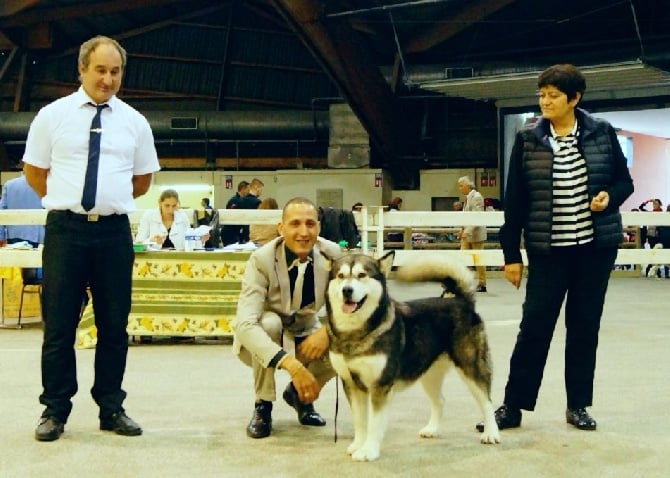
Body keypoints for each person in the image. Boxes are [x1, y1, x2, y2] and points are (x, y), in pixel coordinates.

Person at [481, 64, 633, 433]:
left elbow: (624, 181)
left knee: (583, 328)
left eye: (553, 95)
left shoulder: (601, 132)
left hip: (594, 250)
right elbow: (515, 200)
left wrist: (608, 197)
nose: (545, 101)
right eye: (541, 94)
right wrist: (511, 255)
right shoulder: (529, 138)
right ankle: (513, 405)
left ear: (574, 98)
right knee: (534, 327)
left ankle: (578, 405)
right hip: (548, 252)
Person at [22, 35, 161, 442]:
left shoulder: (135, 122)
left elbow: (141, 181)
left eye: (115, 71)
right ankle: (55, 409)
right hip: (66, 231)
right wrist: (63, 202)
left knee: (114, 326)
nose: (107, 79)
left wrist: (105, 204)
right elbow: (34, 171)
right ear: (81, 69)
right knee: (60, 325)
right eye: (100, 70)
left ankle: (111, 407)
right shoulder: (51, 115)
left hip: (114, 233)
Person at [232, 197, 342, 439]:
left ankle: (299, 397)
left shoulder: (332, 254)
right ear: (281, 229)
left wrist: (326, 332)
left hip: (305, 332)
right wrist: (292, 365)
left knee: (343, 343)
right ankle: (263, 405)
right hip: (269, 336)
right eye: (295, 224)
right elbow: (245, 324)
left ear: (319, 227)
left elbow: (351, 306)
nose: (303, 232)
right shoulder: (261, 260)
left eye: (310, 224)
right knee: (268, 324)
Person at [456, 176, 487, 292]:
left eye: (461, 185)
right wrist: (461, 230)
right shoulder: (467, 198)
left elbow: (477, 217)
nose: (459, 188)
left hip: (476, 234)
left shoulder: (477, 197)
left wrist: (466, 232)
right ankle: (461, 282)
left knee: (479, 261)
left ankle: (482, 284)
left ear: (468, 185)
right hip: (466, 235)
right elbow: (466, 217)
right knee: (462, 259)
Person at [0, 170, 45, 248]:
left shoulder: (9, 185)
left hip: (14, 235)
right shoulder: (43, 185)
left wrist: (1, 236)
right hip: (38, 236)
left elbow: (2, 210)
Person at [221, 180, 249, 246]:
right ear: (243, 189)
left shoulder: (241, 200)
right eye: (248, 190)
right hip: (230, 233)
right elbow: (230, 217)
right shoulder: (234, 201)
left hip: (235, 232)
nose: (249, 192)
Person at [237, 178, 264, 243]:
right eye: (261, 189)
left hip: (241, 234)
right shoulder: (258, 202)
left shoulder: (240, 200)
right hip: (253, 235)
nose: (261, 192)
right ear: (257, 187)